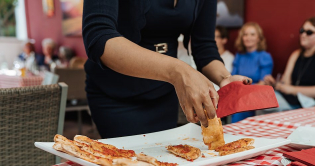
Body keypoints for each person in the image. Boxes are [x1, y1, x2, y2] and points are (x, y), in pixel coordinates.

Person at [82, 0, 252, 138]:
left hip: (164, 96)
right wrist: (178, 71)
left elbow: (204, 47)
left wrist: (224, 78)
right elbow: (99, 37)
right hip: (116, 96)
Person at [263, 17, 315, 110]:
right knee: (261, 97)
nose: (303, 35)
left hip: (312, 103)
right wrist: (275, 84)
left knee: (265, 103)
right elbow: (285, 83)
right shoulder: (296, 54)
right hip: (292, 99)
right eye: (302, 31)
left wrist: (292, 90)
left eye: (309, 32)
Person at [231, 22, 273, 122]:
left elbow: (262, 84)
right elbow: (232, 78)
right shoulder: (239, 56)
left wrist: (243, 90)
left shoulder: (264, 57)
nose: (248, 37)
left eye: (252, 34)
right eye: (245, 34)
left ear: (259, 38)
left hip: (254, 97)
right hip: (238, 95)